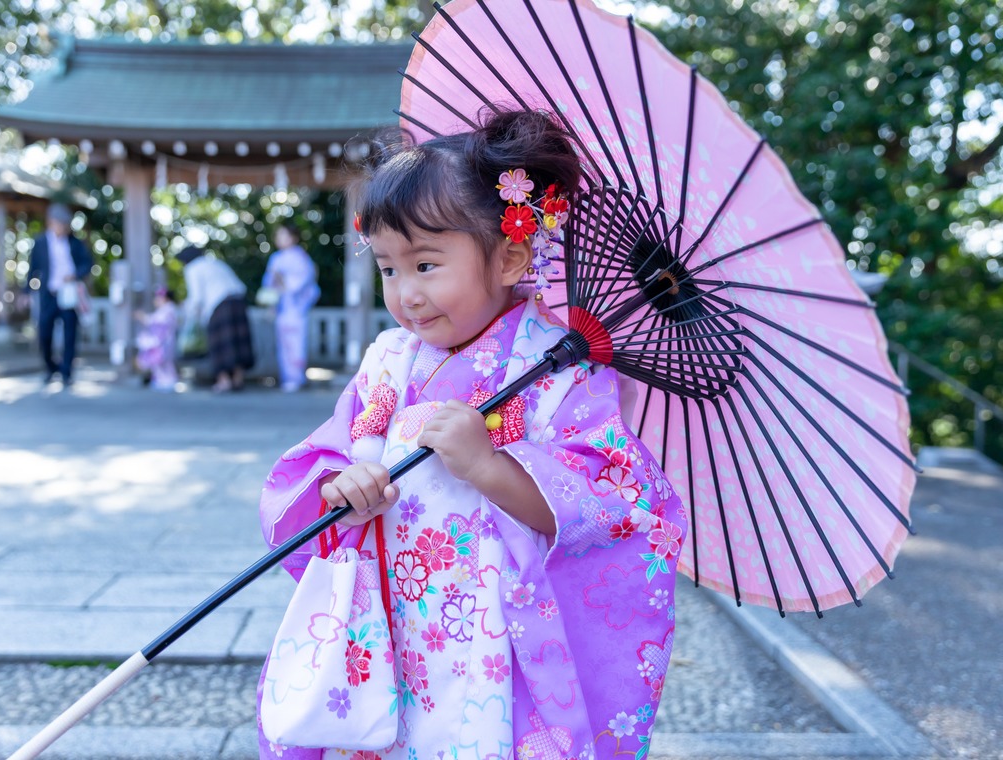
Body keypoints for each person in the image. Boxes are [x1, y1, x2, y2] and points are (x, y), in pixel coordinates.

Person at [257, 111, 687, 759]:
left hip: (495, 638)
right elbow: (322, 463)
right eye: (389, 269)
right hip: (389, 629)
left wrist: (489, 467)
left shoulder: (561, 377)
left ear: (510, 256)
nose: (406, 295)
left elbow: (610, 511)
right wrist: (343, 486)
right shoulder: (387, 362)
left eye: (427, 264)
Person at [177, 244, 254, 392]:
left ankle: (223, 381)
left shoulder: (192, 268)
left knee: (220, 345)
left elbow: (197, 298)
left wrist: (190, 316)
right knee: (238, 342)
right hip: (238, 301)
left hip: (219, 305)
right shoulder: (215, 263)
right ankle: (238, 379)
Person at [30, 203, 92, 387]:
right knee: (44, 332)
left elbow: (87, 264)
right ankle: (51, 367)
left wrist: (75, 274)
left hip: (69, 293)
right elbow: (33, 268)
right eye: (60, 224)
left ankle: (66, 372)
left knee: (70, 333)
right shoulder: (40, 242)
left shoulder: (75, 242)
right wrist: (26, 291)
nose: (64, 228)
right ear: (51, 223)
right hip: (49, 293)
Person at [262, 224, 320, 392]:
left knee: (295, 342)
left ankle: (296, 377)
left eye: (284, 235)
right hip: (282, 306)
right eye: (279, 235)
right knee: (283, 344)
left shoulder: (301, 257)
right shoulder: (276, 258)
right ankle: (287, 376)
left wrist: (283, 281)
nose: (281, 239)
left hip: (296, 307)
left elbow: (302, 281)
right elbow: (269, 283)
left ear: (294, 237)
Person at [135, 287, 179, 392]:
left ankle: (167, 382)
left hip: (162, 342)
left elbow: (155, 321)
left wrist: (143, 317)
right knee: (161, 364)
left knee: (162, 363)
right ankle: (163, 381)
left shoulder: (168, 311)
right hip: (162, 341)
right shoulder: (167, 310)